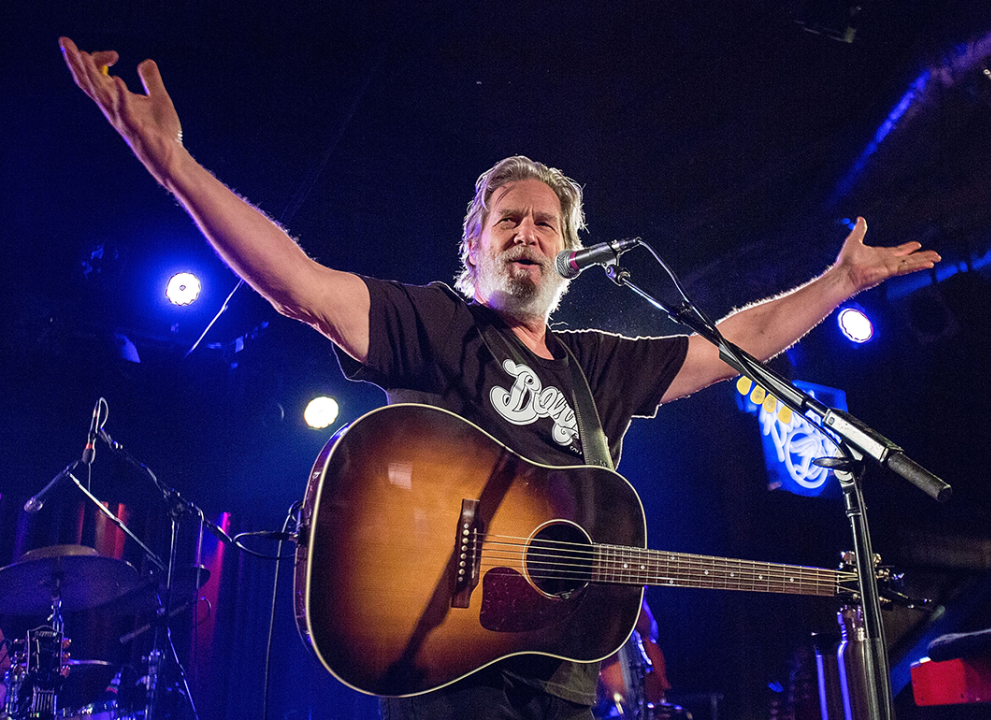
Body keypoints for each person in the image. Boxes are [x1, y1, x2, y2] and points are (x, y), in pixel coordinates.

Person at [59, 37, 939, 720]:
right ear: (474, 243)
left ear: (570, 252)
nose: (527, 232)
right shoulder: (437, 323)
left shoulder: (599, 363)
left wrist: (840, 282)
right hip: (439, 650)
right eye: (508, 219)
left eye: (545, 223)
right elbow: (300, 286)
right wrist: (174, 166)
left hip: (561, 680)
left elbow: (735, 342)